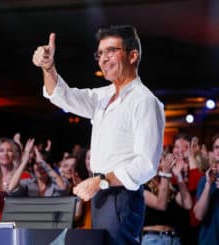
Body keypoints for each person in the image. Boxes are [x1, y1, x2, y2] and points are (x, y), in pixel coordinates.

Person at [32, 25, 165, 244]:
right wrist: (48, 67)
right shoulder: (103, 96)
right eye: (100, 53)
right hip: (101, 193)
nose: (103, 59)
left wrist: (102, 180)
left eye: (111, 51)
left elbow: (146, 165)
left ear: (132, 55)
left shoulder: (144, 101)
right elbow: (62, 95)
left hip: (121, 195)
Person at [193, 133, 219, 245]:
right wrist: (208, 184)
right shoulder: (205, 180)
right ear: (213, 152)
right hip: (209, 241)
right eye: (217, 147)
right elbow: (199, 215)